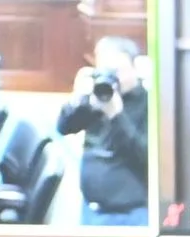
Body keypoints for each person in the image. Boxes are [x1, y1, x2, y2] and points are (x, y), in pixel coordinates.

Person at [57, 37, 149, 226]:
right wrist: (78, 99)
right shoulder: (98, 96)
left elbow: (145, 156)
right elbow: (64, 127)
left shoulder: (148, 103)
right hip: (91, 209)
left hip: (130, 213)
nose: (113, 78)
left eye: (118, 70)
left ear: (135, 68)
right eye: (106, 70)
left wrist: (116, 116)